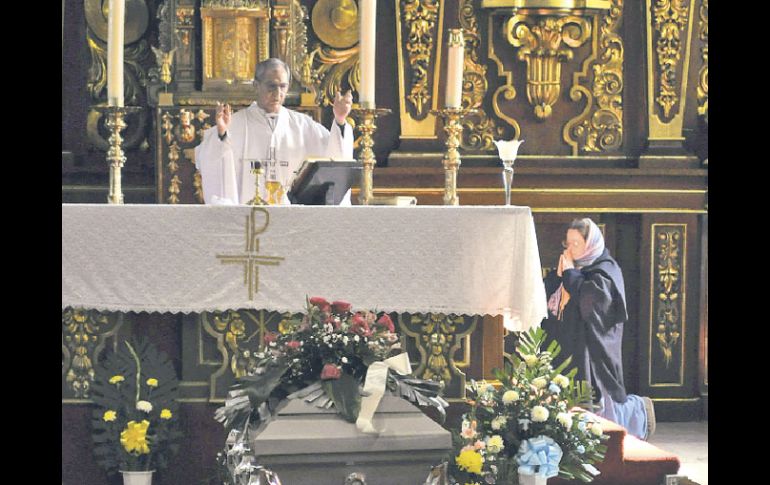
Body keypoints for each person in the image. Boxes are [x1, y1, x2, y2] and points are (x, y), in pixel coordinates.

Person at [542, 218, 656, 440]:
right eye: (568, 243)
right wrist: (558, 276)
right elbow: (550, 296)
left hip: (594, 349)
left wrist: (569, 275)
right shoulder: (572, 267)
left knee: (603, 408)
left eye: (576, 243)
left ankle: (639, 410)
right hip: (570, 344)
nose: (570, 249)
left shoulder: (606, 269)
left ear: (590, 243)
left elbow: (591, 303)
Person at [194, 58, 354, 205]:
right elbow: (207, 159)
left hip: (292, 222)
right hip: (247, 222)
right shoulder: (234, 124)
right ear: (256, 85)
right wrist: (221, 135)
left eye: (283, 86)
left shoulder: (303, 126)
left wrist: (339, 121)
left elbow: (334, 157)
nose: (278, 94)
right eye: (271, 86)